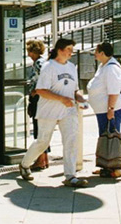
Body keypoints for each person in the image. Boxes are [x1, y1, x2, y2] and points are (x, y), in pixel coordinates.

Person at [18, 38, 88, 187]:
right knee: (43, 142)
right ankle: (25, 164)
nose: (71, 53)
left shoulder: (71, 67)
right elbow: (41, 90)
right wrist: (61, 98)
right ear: (60, 50)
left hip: (68, 111)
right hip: (48, 111)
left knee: (71, 141)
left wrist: (81, 99)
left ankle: (70, 175)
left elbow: (74, 90)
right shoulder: (48, 67)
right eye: (69, 49)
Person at [87, 41, 121, 178]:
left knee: (113, 136)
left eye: (96, 51)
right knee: (105, 137)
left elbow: (114, 91)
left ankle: (117, 167)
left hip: (112, 108)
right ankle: (106, 165)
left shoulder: (111, 68)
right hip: (103, 109)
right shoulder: (104, 66)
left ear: (102, 53)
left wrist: (111, 109)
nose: (95, 54)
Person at [25, 39, 49, 170]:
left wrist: (35, 91)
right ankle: (43, 158)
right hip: (41, 97)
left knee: (38, 127)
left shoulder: (39, 63)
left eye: (29, 51)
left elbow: (42, 79)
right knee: (41, 127)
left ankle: (40, 159)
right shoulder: (41, 62)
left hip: (38, 98)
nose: (28, 54)